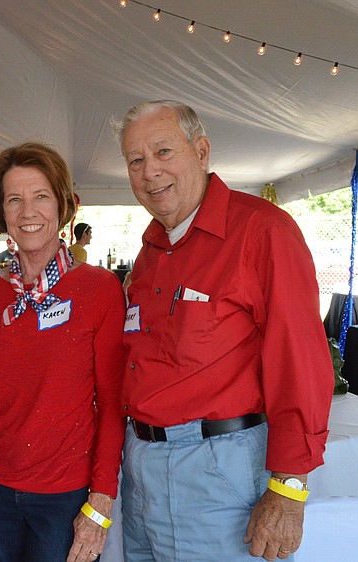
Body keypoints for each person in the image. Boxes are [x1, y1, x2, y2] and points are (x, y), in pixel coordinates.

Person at [116, 100, 333, 562]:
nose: (150, 171)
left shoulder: (262, 229)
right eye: (136, 160)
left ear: (202, 151)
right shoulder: (152, 247)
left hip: (219, 470)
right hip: (141, 470)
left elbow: (301, 361)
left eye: (163, 152)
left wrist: (289, 488)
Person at [0, 142, 126, 562]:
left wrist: (102, 500)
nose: (28, 211)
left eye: (41, 196)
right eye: (14, 200)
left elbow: (113, 402)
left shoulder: (100, 290)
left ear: (62, 206)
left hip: (65, 492)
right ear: (1, 214)